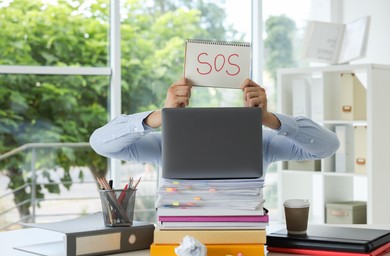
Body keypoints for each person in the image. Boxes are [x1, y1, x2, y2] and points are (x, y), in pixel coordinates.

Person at [89, 78, 339, 173]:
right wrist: (160, 116)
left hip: (245, 236)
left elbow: (328, 146)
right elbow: (100, 143)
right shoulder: (162, 145)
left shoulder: (263, 143)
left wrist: (266, 118)